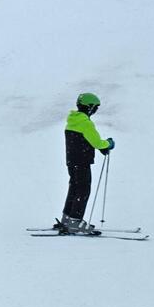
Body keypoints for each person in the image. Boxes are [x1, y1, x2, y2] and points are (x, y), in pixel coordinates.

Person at [57, 92, 114, 234]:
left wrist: (100, 147)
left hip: (72, 161)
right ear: (89, 107)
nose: (95, 111)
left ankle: (67, 218)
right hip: (82, 162)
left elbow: (84, 141)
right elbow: (96, 142)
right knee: (83, 190)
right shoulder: (85, 123)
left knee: (74, 188)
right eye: (95, 108)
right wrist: (108, 144)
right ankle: (75, 222)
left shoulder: (72, 121)